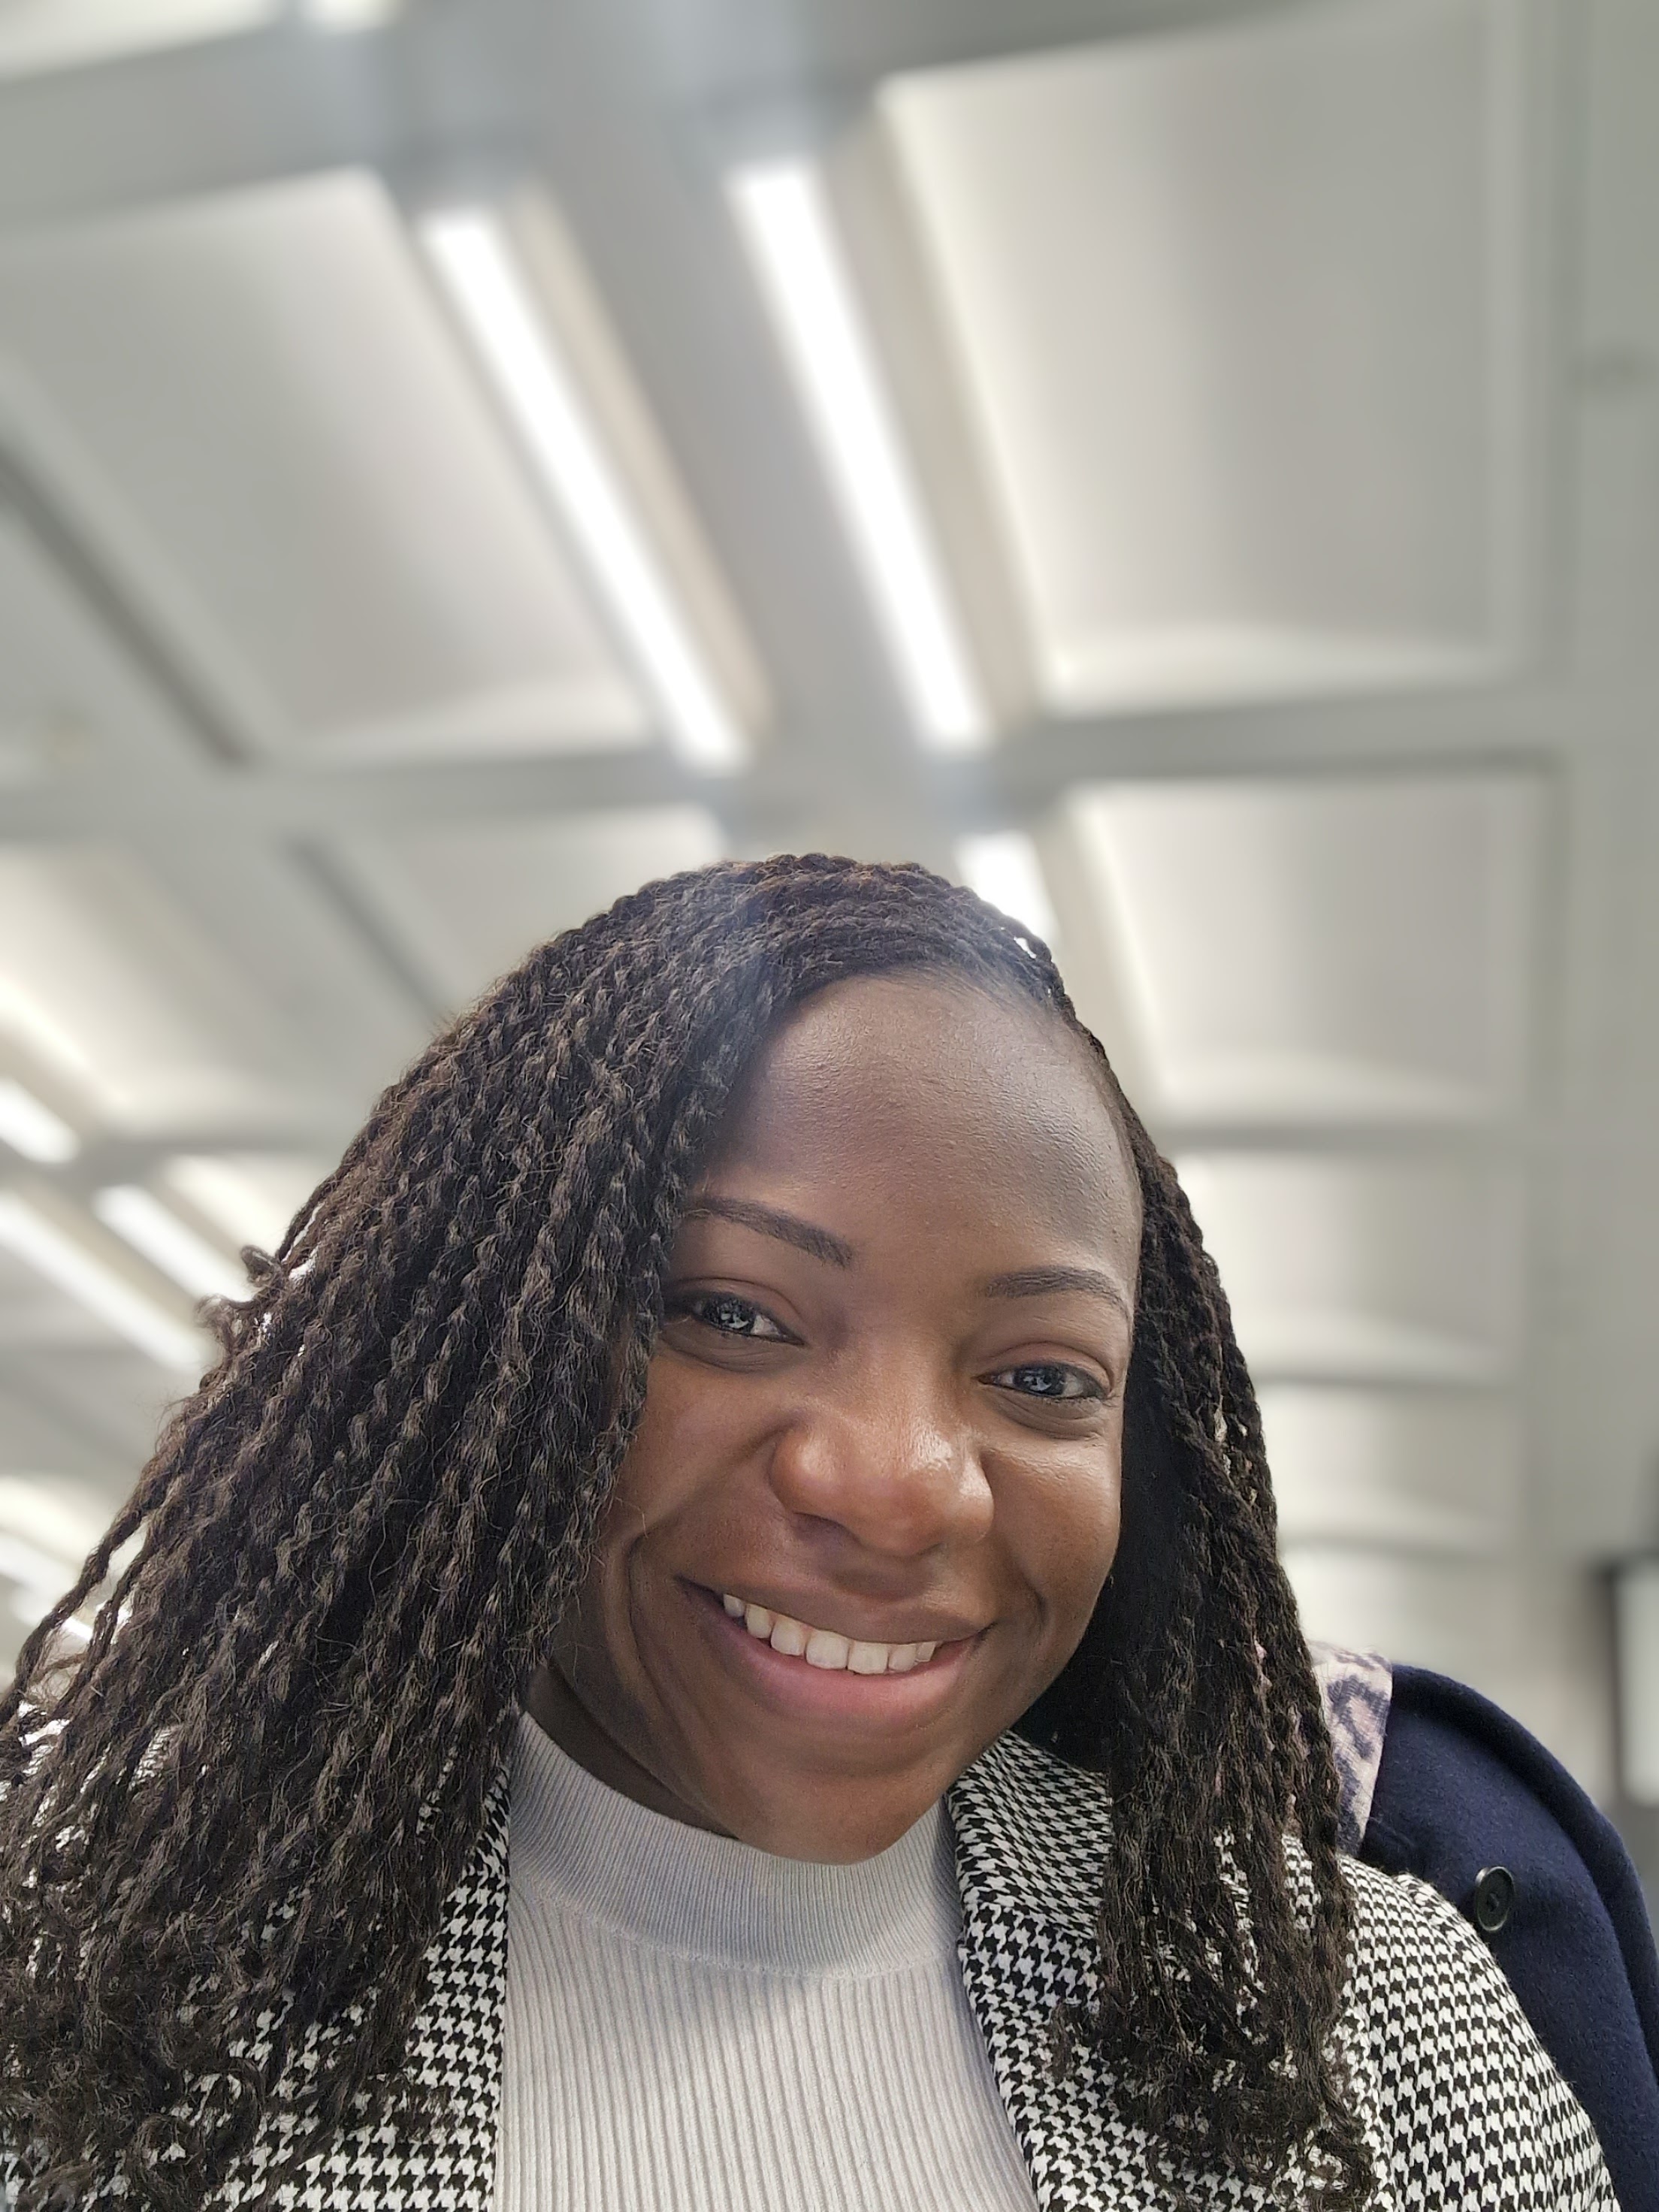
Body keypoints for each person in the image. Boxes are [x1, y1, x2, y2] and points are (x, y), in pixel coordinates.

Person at [0, 857, 1618, 2211]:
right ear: (493, 1359)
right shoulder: (91, 1995)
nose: (901, 1484)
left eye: (1042, 1377)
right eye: (733, 1313)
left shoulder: (1380, 2029)